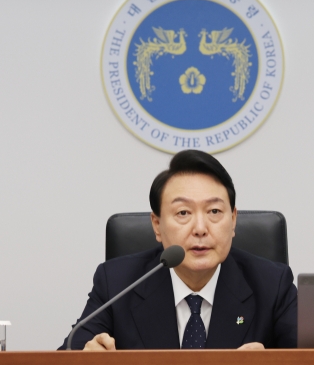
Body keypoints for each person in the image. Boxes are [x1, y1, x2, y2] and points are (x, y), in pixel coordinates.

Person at [58, 150, 297, 350]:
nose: (201, 229)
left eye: (214, 211)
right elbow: (67, 354)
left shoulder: (272, 285)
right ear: (157, 225)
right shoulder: (117, 283)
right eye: (183, 213)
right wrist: (83, 357)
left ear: (233, 220)